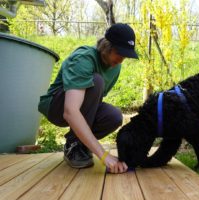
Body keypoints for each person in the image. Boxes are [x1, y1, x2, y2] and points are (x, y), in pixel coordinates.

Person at [38, 23, 138, 173]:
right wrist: (103, 155)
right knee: (96, 82)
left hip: (80, 106)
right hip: (56, 106)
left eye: (126, 55)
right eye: (120, 53)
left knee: (114, 116)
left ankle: (81, 145)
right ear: (107, 46)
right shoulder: (83, 59)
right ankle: (73, 145)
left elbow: (92, 103)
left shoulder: (115, 67)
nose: (121, 59)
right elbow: (70, 111)